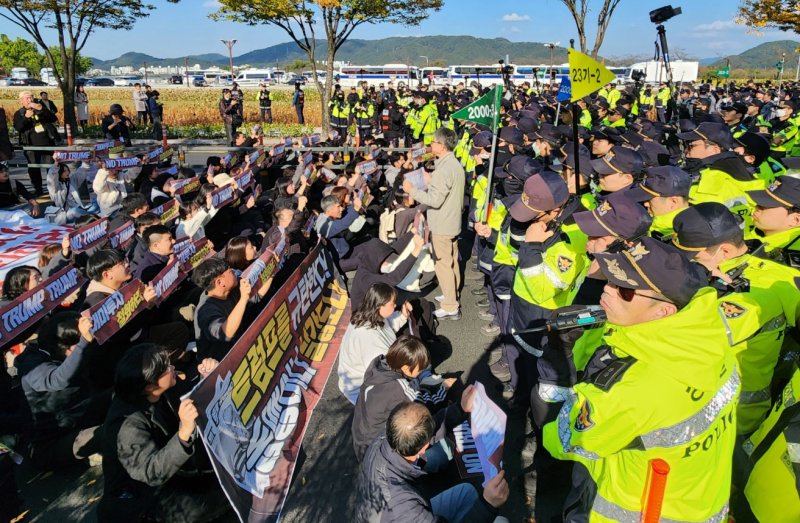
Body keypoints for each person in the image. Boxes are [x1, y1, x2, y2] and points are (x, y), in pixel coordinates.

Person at [543, 236, 739, 522]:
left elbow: (560, 439)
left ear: (664, 311)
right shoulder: (713, 340)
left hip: (630, 511)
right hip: (703, 501)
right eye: (610, 279)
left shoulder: (629, 390)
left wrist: (558, 355)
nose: (608, 289)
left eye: (625, 290)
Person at [97, 344, 229, 522]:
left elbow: (189, 396)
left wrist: (207, 379)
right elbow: (151, 472)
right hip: (142, 495)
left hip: (173, 471)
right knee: (205, 504)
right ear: (149, 386)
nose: (172, 367)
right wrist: (184, 433)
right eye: (166, 367)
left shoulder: (164, 387)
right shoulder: (127, 426)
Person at [355, 400, 509, 523]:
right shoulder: (407, 511)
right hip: (403, 515)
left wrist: (460, 408)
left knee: (466, 493)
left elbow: (425, 429)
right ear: (424, 448)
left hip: (383, 511)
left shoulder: (386, 438)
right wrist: (488, 506)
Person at [15, 312, 108, 469]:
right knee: (106, 432)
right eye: (75, 345)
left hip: (82, 416)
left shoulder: (65, 352)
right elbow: (57, 379)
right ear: (61, 345)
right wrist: (83, 343)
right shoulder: (32, 365)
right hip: (51, 443)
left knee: (125, 394)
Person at [351, 335, 455, 461]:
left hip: (361, 442)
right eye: (420, 369)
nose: (422, 371)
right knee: (442, 451)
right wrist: (443, 389)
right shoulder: (399, 390)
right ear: (405, 368)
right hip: (378, 452)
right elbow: (424, 408)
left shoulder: (378, 365)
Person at [402, 127, 465, 319]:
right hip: (452, 221)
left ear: (442, 146)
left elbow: (435, 200)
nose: (431, 145)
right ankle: (451, 293)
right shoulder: (453, 164)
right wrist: (431, 181)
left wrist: (412, 191)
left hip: (442, 224)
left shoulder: (443, 169)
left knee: (442, 264)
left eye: (434, 142)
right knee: (452, 261)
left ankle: (450, 305)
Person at [338, 283, 411, 404]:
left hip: (358, 379)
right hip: (362, 389)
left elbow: (388, 326)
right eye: (392, 303)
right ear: (379, 305)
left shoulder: (367, 316)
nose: (395, 305)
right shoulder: (369, 338)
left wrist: (403, 315)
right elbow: (382, 369)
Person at [192, 257, 270, 360]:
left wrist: (272, 270)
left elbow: (256, 294)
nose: (234, 271)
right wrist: (243, 299)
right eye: (230, 270)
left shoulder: (232, 288)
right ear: (220, 282)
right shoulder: (206, 311)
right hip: (220, 364)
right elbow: (225, 333)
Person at [625, 165, 692, 241]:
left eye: (649, 199)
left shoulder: (682, 237)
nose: (645, 204)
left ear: (673, 202)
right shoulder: (655, 222)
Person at [13, 90, 57, 196]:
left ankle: (53, 188)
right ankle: (38, 189)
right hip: (30, 145)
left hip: (47, 143)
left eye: (31, 97)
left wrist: (42, 109)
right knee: (34, 168)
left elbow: (53, 118)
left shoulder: (40, 108)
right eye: (27, 98)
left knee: (50, 167)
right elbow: (18, 127)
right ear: (21, 101)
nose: (30, 100)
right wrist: (26, 118)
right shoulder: (19, 113)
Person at [748, 176, 800, 264]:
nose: (757, 206)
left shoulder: (792, 256)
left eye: (767, 204)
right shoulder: (751, 229)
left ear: (795, 220)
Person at [46, 154, 100, 223]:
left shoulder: (71, 181)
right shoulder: (55, 187)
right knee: (74, 211)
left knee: (97, 201)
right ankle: (91, 217)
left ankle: (88, 217)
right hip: (65, 214)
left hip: (80, 208)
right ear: (59, 172)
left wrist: (86, 162)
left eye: (67, 170)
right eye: (64, 171)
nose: (67, 172)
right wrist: (56, 163)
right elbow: (51, 178)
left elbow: (81, 171)